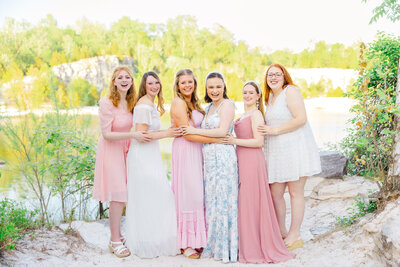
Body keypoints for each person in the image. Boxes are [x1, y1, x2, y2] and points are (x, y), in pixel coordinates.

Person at [222, 81, 295, 263]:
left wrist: (234, 141)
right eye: (244, 92)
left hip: (252, 160)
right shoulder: (244, 114)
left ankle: (256, 245)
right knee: (246, 201)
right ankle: (248, 242)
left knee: (251, 200)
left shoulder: (256, 115)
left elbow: (258, 142)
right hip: (242, 159)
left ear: (258, 96)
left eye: (251, 93)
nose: (247, 95)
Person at [258, 64, 321, 251]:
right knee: (275, 193)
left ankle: (295, 234)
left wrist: (275, 130)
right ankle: (281, 230)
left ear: (285, 77)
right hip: (277, 153)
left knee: (295, 193)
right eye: (270, 75)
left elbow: (301, 118)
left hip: (295, 149)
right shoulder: (270, 98)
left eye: (278, 74)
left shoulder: (290, 91)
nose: (274, 77)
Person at [93, 66, 150, 258]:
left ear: (132, 81)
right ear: (114, 82)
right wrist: (133, 135)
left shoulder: (132, 101)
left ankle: (117, 235)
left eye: (128, 77)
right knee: (117, 195)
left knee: (126, 193)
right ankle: (114, 240)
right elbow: (107, 134)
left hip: (127, 150)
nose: (124, 80)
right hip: (111, 151)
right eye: (120, 77)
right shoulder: (107, 102)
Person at [181, 72, 238, 263]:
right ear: (206, 89)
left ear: (224, 87)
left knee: (223, 200)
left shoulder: (227, 105)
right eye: (211, 87)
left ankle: (226, 248)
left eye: (218, 86)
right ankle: (213, 244)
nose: (215, 90)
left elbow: (223, 131)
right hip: (209, 160)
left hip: (223, 158)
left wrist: (194, 130)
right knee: (212, 201)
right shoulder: (208, 108)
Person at [125, 71, 180, 258]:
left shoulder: (149, 104)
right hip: (142, 157)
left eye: (157, 83)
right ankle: (145, 241)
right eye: (151, 83)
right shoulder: (143, 106)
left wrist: (168, 130)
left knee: (153, 196)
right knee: (154, 195)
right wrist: (169, 133)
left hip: (151, 155)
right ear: (144, 85)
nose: (155, 86)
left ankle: (153, 238)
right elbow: (142, 136)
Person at [170, 69, 220, 259]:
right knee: (188, 193)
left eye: (190, 82)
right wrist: (214, 140)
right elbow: (188, 134)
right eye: (183, 82)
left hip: (198, 150)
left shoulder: (194, 103)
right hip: (186, 149)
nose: (187, 85)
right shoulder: (178, 103)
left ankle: (198, 239)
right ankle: (185, 243)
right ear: (177, 85)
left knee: (199, 194)